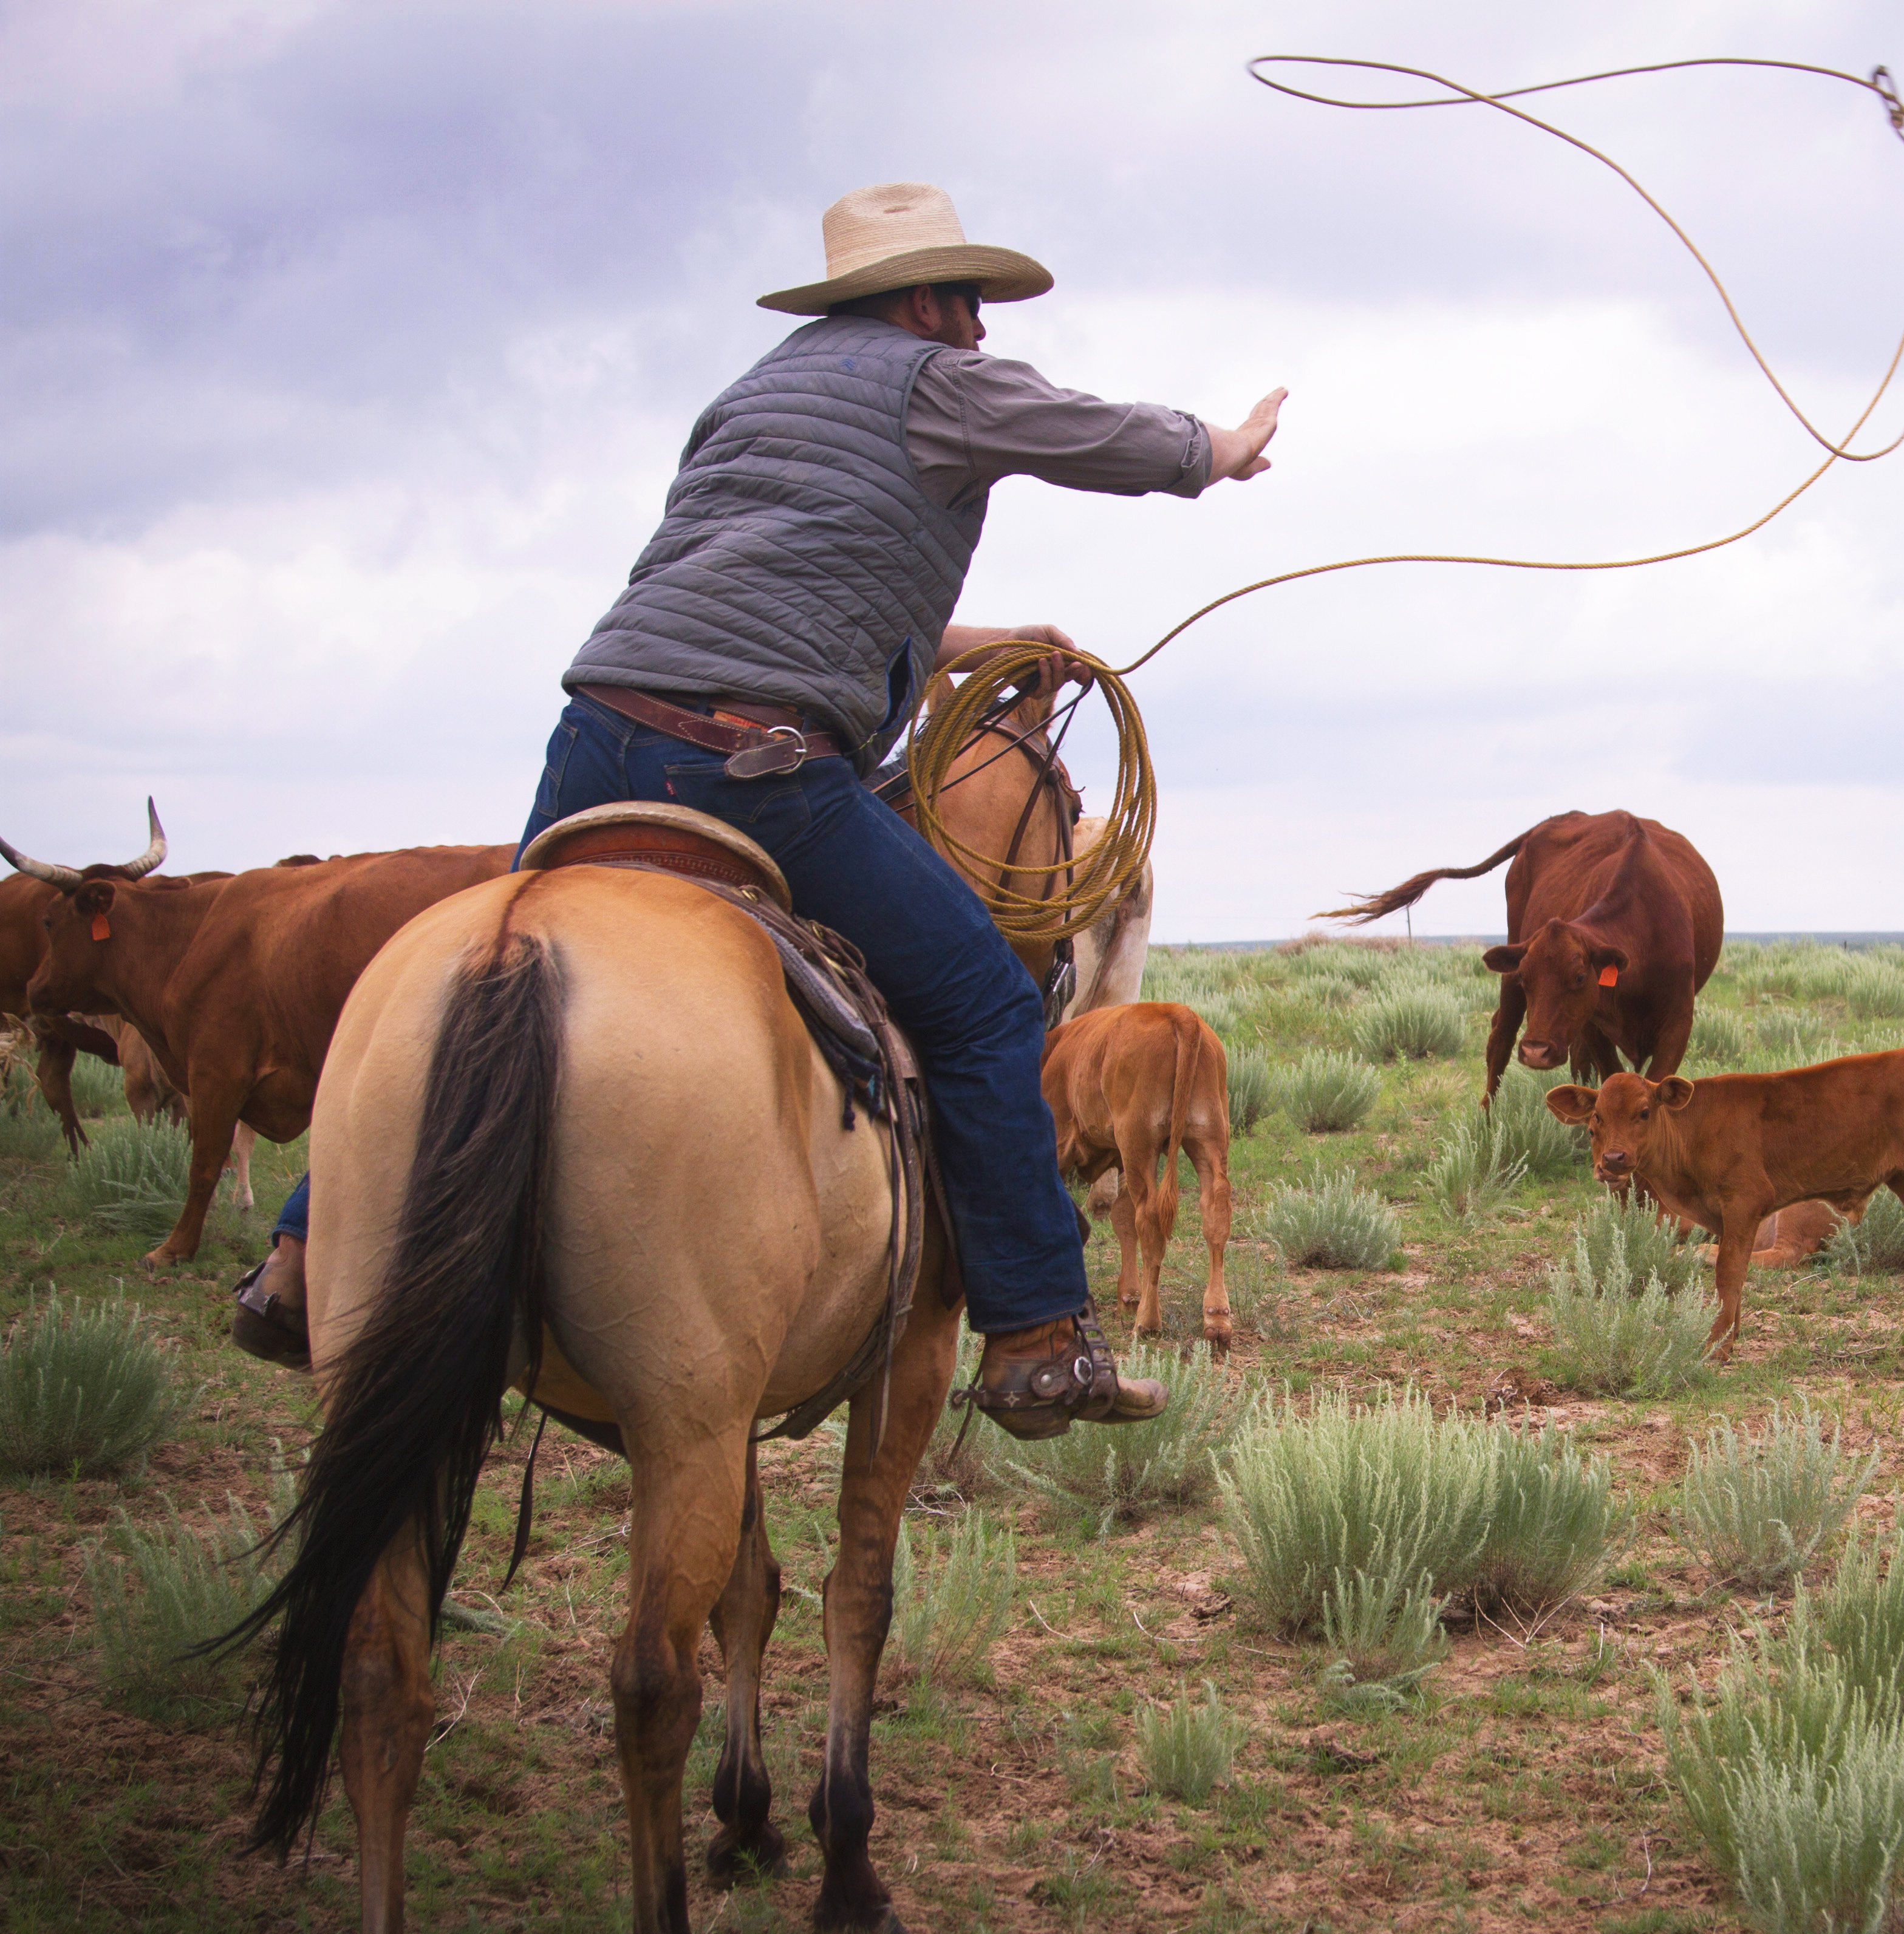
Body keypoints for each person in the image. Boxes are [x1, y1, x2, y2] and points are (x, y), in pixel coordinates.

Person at [233, 182, 1283, 1439]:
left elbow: (770, 582)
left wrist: (977, 645)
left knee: (473, 979)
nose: (984, 333)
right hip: (760, 765)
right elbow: (1085, 433)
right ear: (926, 297)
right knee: (985, 1000)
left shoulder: (749, 396)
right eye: (972, 305)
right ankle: (1040, 1334)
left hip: (600, 736)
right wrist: (1214, 451)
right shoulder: (931, 381)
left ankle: (305, 1257)